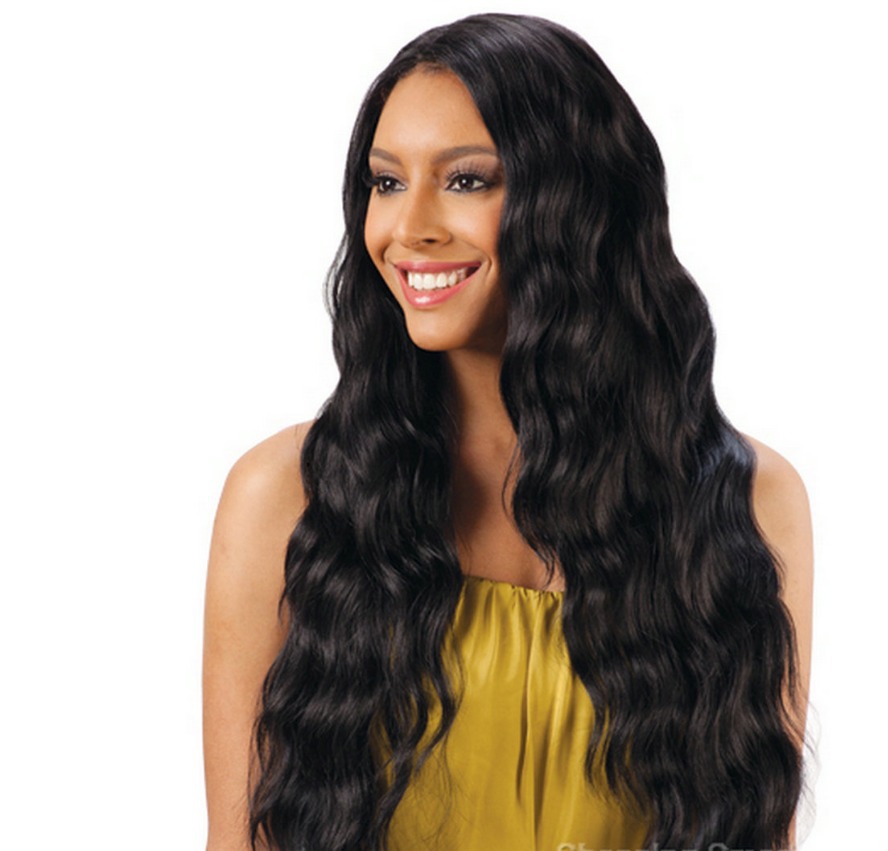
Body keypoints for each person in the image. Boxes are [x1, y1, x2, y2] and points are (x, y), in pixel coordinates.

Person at [203, 13, 813, 851]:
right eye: (386, 182)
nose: (408, 227)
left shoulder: (747, 499)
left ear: (578, 202)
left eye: (466, 180)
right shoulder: (284, 496)